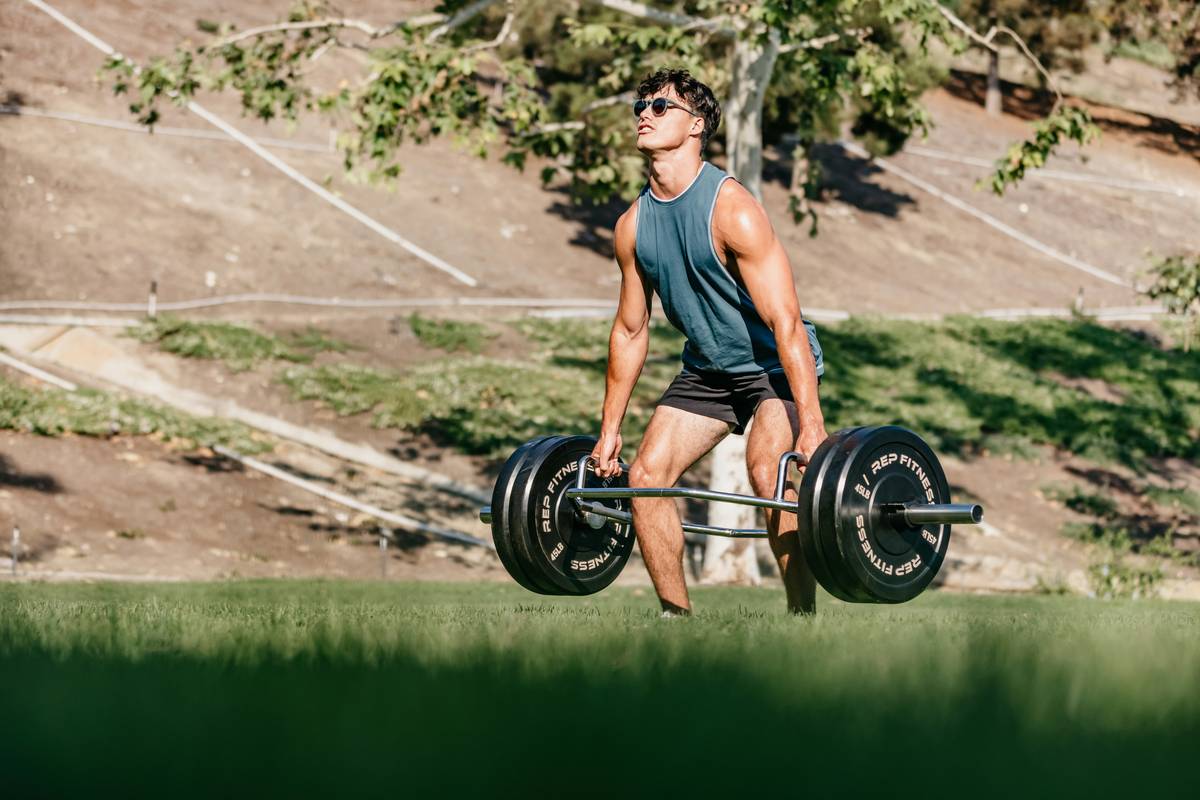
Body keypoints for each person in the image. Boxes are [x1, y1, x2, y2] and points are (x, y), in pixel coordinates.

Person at [590, 68, 828, 616]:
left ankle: (803, 619)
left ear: (695, 125)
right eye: (640, 105)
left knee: (767, 471)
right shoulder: (632, 225)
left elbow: (787, 322)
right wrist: (609, 432)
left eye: (660, 106)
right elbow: (630, 330)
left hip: (769, 367)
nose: (644, 114)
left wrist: (810, 423)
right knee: (646, 476)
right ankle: (678, 622)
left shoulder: (732, 208)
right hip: (706, 371)